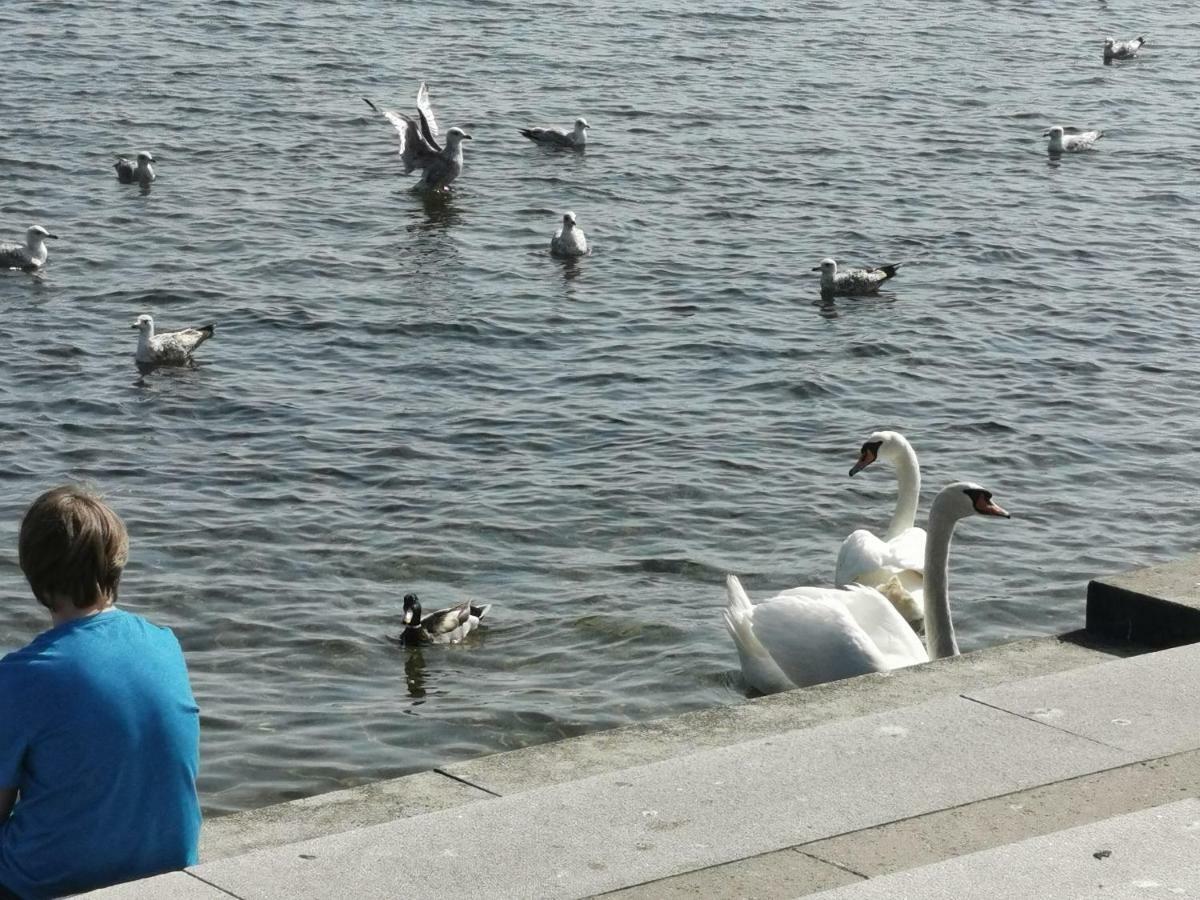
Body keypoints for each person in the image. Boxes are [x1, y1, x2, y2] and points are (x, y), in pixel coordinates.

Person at [0, 486, 201, 898]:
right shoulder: (163, 642)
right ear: (116, 560)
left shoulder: (21, 677)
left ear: (32, 570)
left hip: (51, 883)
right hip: (169, 868)